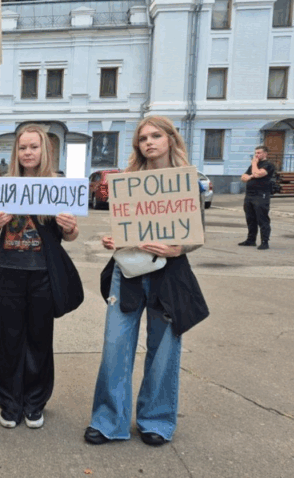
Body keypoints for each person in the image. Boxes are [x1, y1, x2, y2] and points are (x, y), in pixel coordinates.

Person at [85, 116, 209, 447]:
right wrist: (113, 241)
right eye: (143, 138)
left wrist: (176, 247)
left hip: (169, 276)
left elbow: (197, 234)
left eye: (156, 135)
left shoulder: (187, 182)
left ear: (171, 139)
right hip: (127, 273)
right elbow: (123, 230)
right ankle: (108, 420)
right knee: (116, 345)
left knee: (165, 348)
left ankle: (156, 419)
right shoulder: (128, 182)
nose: (149, 142)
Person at [0, 124, 82, 429]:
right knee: (6, 341)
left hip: (42, 274)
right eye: (23, 147)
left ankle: (35, 403)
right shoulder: (1, 183)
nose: (28, 152)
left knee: (39, 340)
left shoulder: (57, 183)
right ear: (16, 151)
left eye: (33, 147)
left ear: (45, 150)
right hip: (7, 273)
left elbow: (73, 235)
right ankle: (10, 404)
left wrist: (68, 226)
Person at [238, 145, 276, 250]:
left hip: (261, 195)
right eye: (256, 153)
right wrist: (250, 176)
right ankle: (251, 240)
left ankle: (264, 242)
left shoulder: (268, 165)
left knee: (262, 218)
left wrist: (254, 164)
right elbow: (243, 177)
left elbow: (258, 174)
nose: (256, 155)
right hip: (250, 195)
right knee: (250, 218)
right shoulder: (253, 166)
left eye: (259, 153)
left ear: (265, 154)